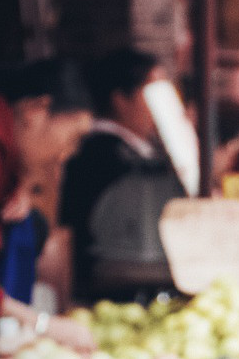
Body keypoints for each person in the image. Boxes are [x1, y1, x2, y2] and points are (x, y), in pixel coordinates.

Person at [0, 58, 96, 358]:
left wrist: (21, 183)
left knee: (28, 224)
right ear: (36, 111)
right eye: (72, 138)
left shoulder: (5, 152)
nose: (65, 155)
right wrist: (42, 324)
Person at [60, 47, 186, 302]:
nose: (166, 105)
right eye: (153, 93)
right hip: (109, 290)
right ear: (120, 99)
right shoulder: (103, 153)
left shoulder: (139, 150)